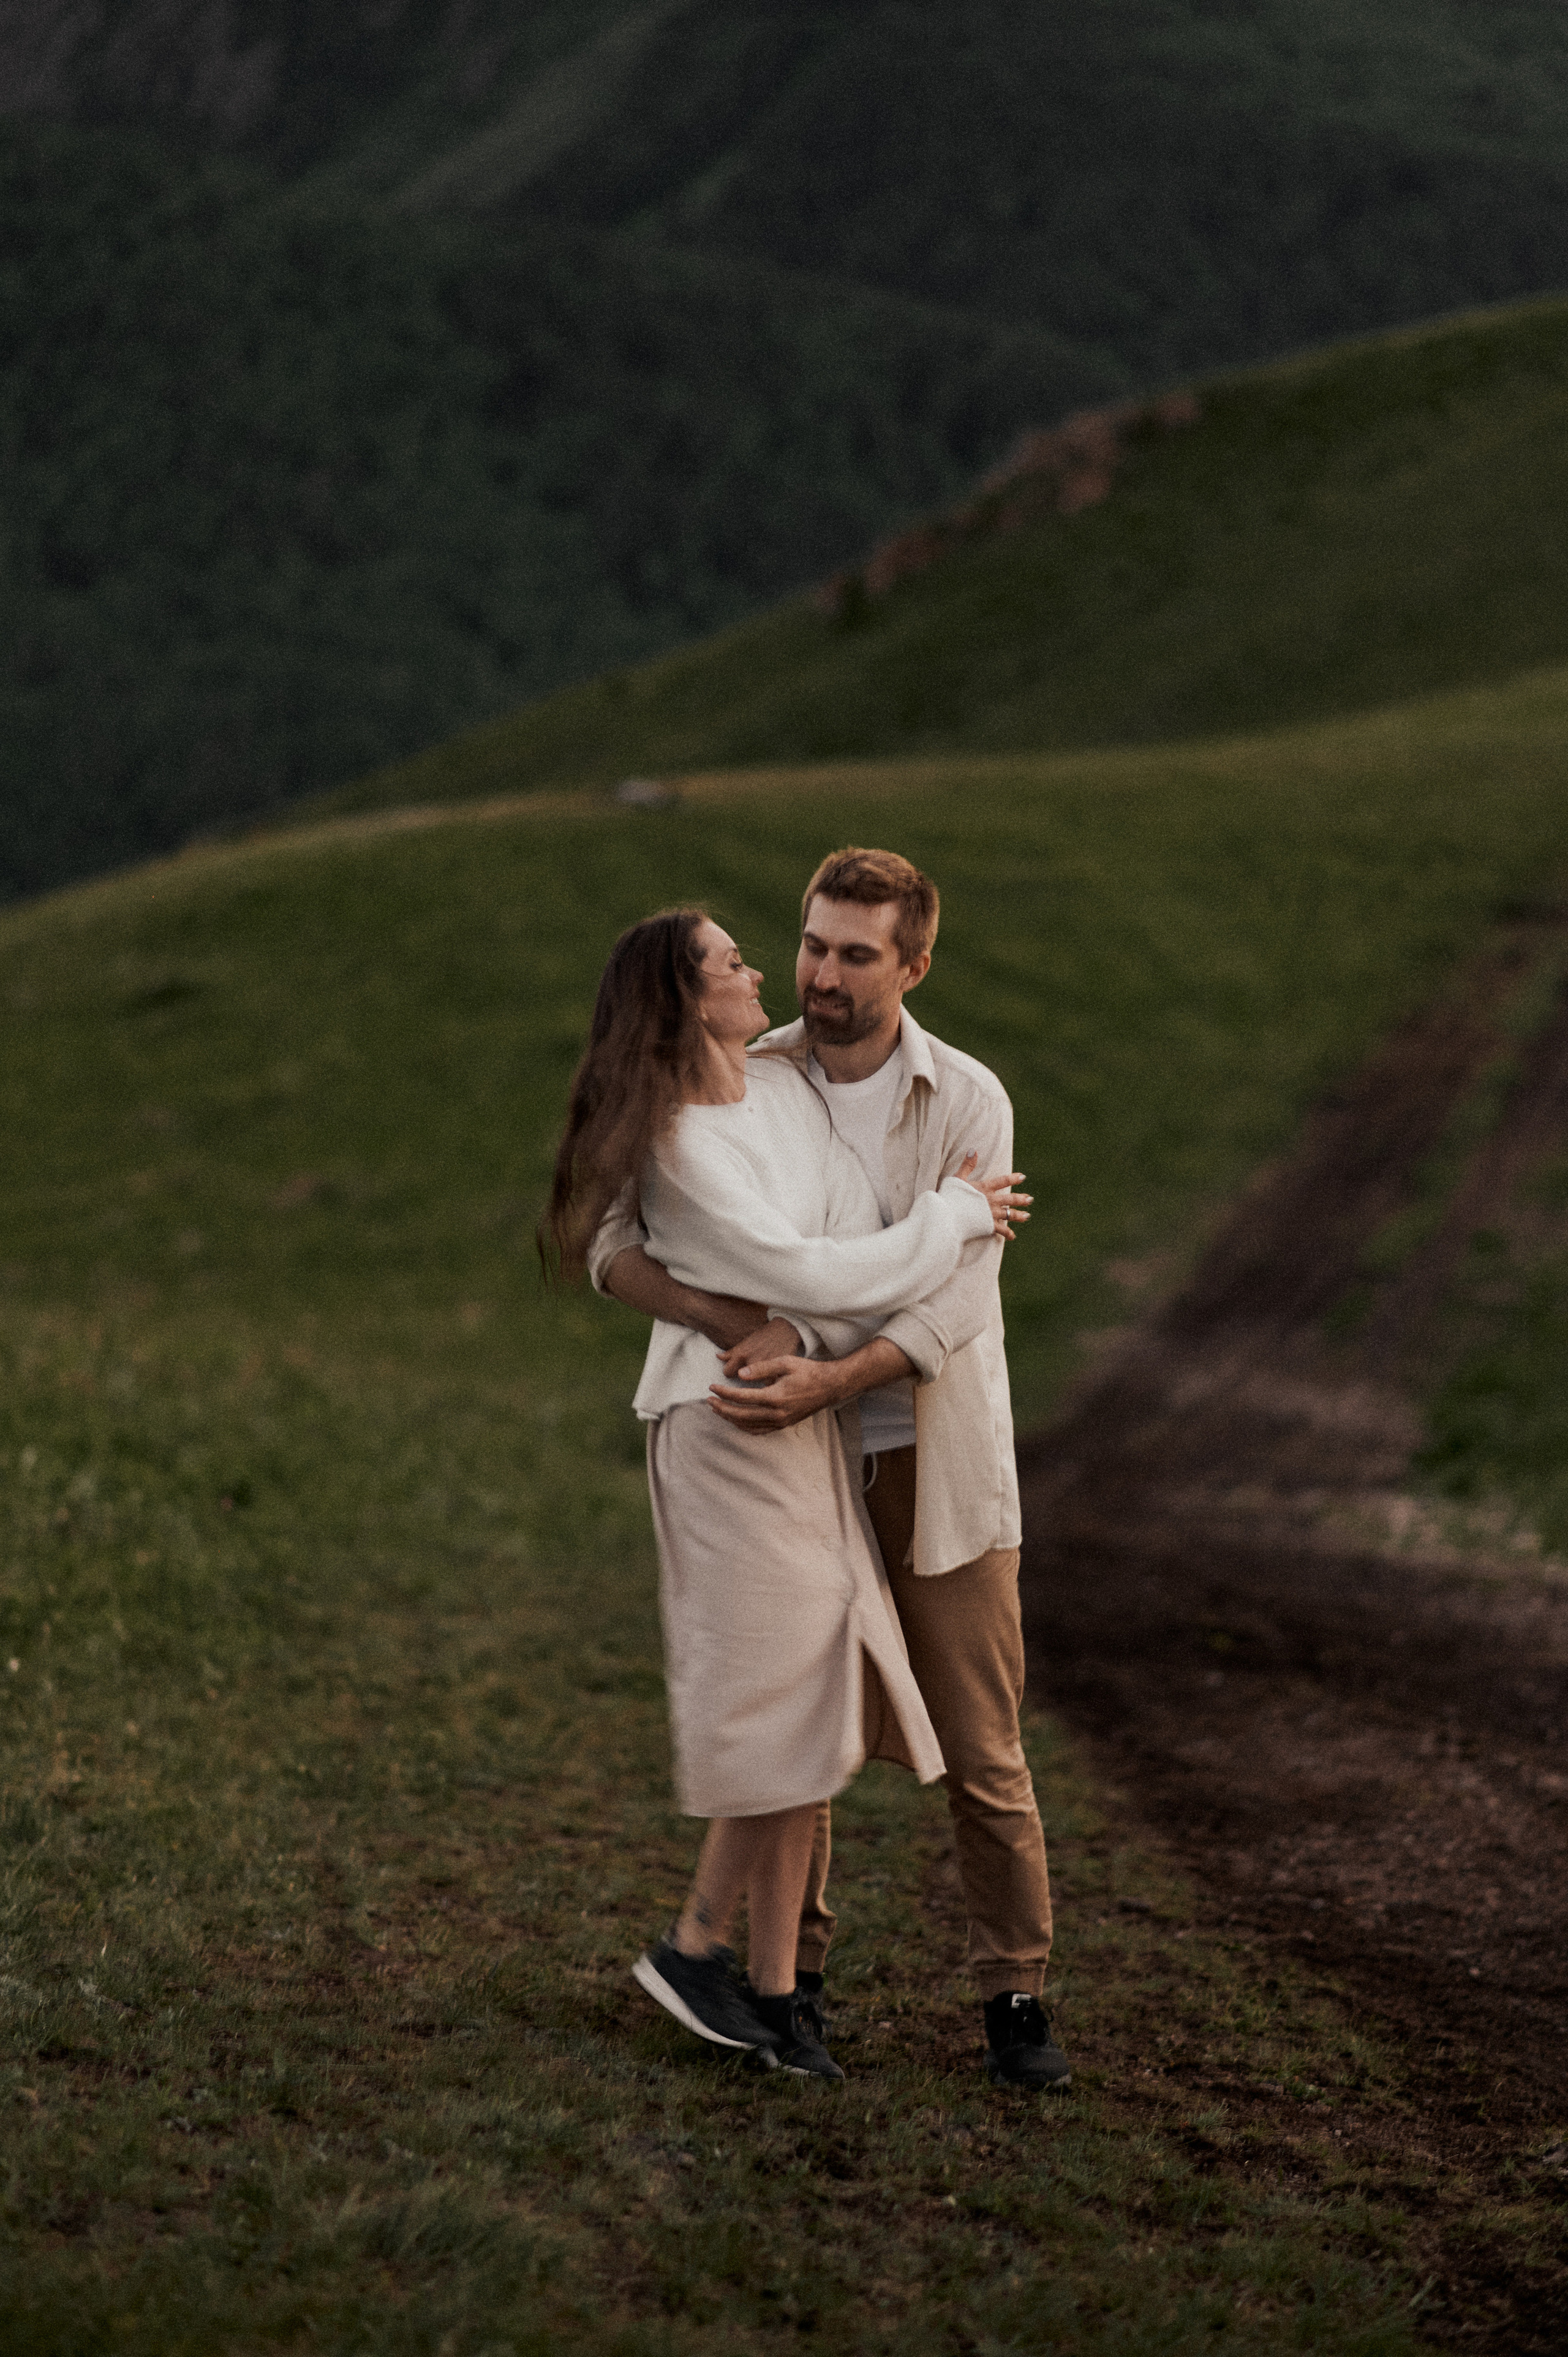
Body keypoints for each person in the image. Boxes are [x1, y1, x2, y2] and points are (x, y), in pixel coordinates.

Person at [596, 848, 1071, 2090]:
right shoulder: (744, 1077)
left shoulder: (967, 1099)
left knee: (982, 1748)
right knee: (807, 1732)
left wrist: (828, 1375)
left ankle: (1013, 1993)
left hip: (929, 1454)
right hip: (778, 1451)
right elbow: (613, 1242)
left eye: (856, 954)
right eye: (811, 945)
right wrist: (717, 1324)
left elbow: (954, 1307)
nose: (821, 974)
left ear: (913, 964)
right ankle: (786, 1992)